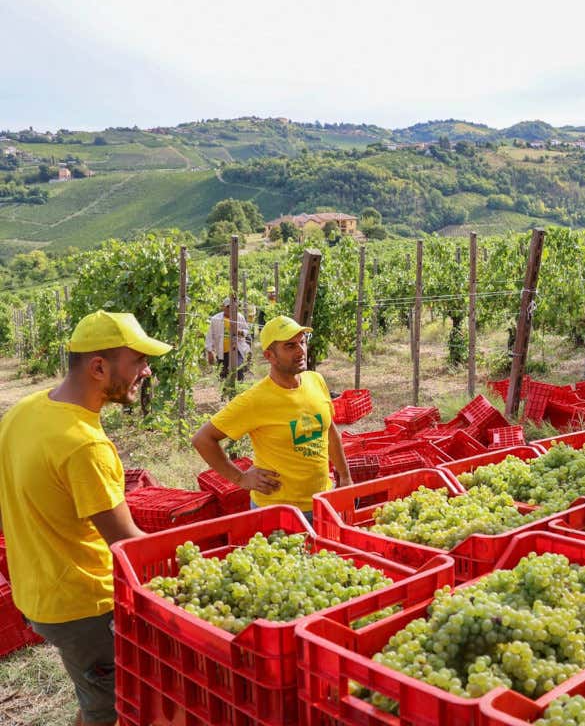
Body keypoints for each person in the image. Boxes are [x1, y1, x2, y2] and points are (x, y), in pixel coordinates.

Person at [0, 310, 171, 726]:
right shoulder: (84, 446)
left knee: (96, 697)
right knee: (108, 709)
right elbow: (127, 543)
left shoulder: (24, 412)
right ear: (99, 367)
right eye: (139, 361)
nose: (146, 372)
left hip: (39, 590)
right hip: (84, 605)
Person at [191, 315, 350, 519]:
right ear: (270, 356)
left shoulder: (316, 380)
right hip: (278, 512)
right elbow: (202, 439)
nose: (301, 350)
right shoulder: (255, 400)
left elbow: (329, 431)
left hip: (322, 502)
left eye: (302, 342)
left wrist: (345, 477)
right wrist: (240, 478)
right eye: (290, 346)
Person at [205, 299, 251, 381]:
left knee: (238, 369)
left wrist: (240, 332)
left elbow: (246, 331)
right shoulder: (215, 319)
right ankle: (226, 392)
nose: (232, 309)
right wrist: (209, 352)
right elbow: (209, 335)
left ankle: (239, 388)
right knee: (223, 376)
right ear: (223, 307)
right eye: (229, 307)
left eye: (234, 307)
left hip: (237, 349)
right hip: (222, 351)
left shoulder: (239, 317)